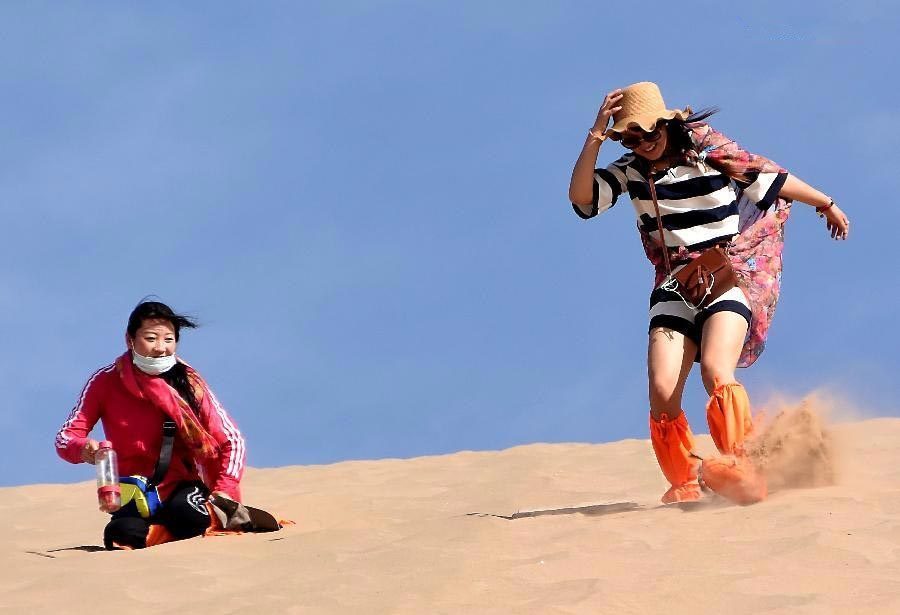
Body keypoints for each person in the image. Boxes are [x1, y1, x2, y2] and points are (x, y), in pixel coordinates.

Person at [568, 82, 849, 504]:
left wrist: (825, 203)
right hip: (674, 288)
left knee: (716, 370)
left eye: (649, 133)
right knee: (662, 393)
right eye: (630, 137)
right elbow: (582, 200)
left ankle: (745, 464)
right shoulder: (630, 171)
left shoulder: (707, 151)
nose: (642, 143)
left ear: (666, 124)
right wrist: (595, 135)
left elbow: (769, 176)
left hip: (723, 279)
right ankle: (686, 482)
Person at [55, 300, 246, 548]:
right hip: (132, 494)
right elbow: (65, 437)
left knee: (189, 516)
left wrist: (225, 489)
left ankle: (176, 529)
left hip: (181, 487)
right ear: (130, 340)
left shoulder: (188, 382)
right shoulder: (104, 382)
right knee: (119, 536)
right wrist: (83, 449)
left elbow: (232, 440)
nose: (161, 348)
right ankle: (160, 533)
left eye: (169, 339)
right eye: (151, 338)